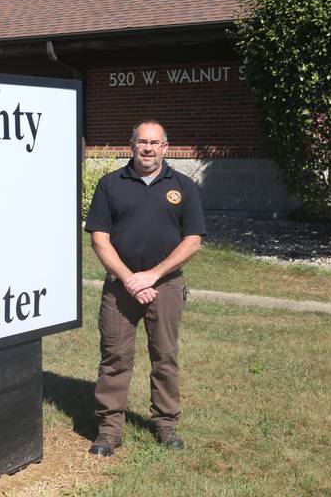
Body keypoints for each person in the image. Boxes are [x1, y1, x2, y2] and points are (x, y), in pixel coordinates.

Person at [84, 120, 206, 456]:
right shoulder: (111, 185)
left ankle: (166, 425)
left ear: (166, 147)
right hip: (120, 287)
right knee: (114, 356)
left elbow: (193, 241)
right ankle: (109, 429)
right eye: (142, 142)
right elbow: (99, 239)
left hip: (164, 286)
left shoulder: (183, 186)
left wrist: (151, 275)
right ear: (132, 145)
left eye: (155, 143)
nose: (148, 148)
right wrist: (129, 278)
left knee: (165, 355)